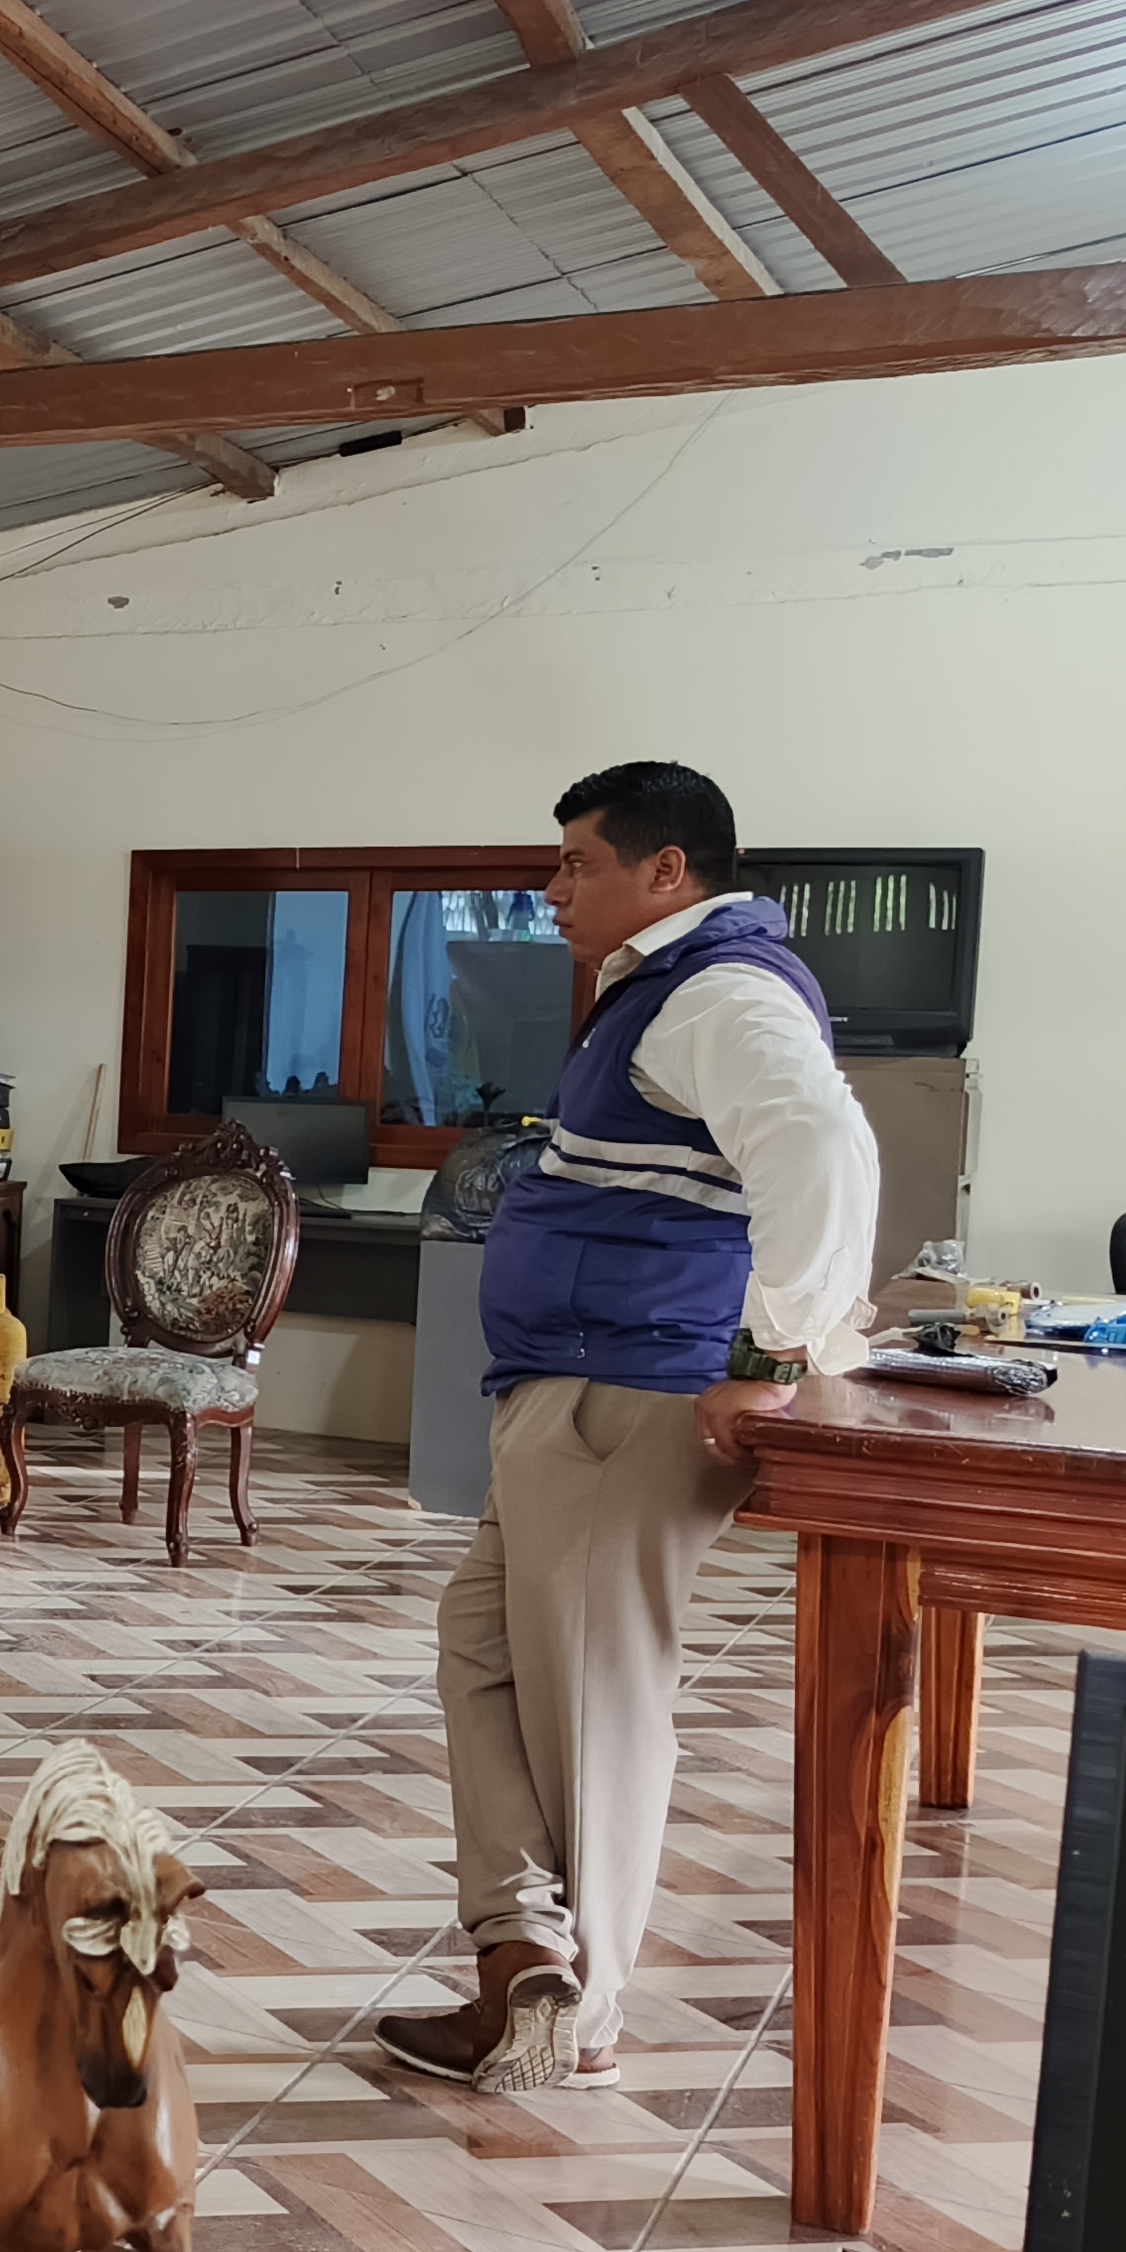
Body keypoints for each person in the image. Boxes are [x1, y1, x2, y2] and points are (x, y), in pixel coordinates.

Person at [381, 762, 878, 2097]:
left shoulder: (719, 991)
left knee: (595, 1703)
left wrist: (776, 1351)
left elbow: (821, 1146)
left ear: (666, 871)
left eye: (576, 863)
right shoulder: (659, 990)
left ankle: (580, 2013)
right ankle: (522, 1951)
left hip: (626, 1396)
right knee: (482, 1651)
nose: (551, 889)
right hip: (573, 1387)